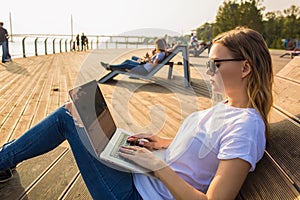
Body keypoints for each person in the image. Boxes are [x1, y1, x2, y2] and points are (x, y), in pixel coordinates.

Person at [0, 26, 273, 199]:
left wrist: (156, 166)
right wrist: (160, 142)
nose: (208, 71)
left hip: (135, 193)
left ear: (245, 68)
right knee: (80, 110)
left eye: (216, 64)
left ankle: (3, 159)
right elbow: (204, 148)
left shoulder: (246, 127)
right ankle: (4, 157)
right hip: (140, 175)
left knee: (68, 116)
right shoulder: (227, 107)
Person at [100, 38, 167, 75]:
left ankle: (109, 67)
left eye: (156, 45)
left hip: (144, 70)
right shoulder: (160, 53)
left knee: (126, 64)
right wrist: (148, 58)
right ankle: (115, 67)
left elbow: (153, 65)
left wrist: (148, 58)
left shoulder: (160, 54)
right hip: (143, 67)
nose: (155, 47)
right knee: (127, 61)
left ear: (158, 45)